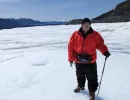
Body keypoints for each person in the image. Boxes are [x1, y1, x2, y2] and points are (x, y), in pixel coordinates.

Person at [68, 18, 111, 100]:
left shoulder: (95, 35)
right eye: (85, 24)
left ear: (90, 25)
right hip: (78, 59)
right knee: (80, 75)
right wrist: (70, 58)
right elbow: (70, 47)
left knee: (92, 77)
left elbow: (100, 44)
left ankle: (91, 92)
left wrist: (105, 51)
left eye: (88, 24)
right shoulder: (75, 34)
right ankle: (81, 86)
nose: (86, 25)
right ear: (82, 25)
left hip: (90, 60)